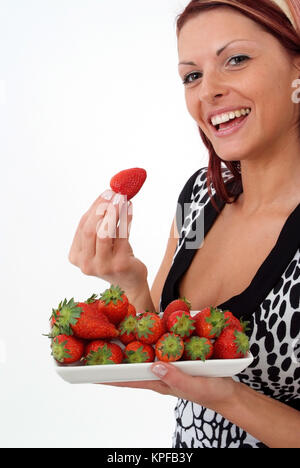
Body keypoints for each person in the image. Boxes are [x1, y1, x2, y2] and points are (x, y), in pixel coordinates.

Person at [68, 0, 300, 448]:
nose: (207, 91)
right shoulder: (198, 197)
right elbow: (161, 334)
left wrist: (228, 398)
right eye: (191, 75)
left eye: (236, 59)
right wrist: (128, 280)